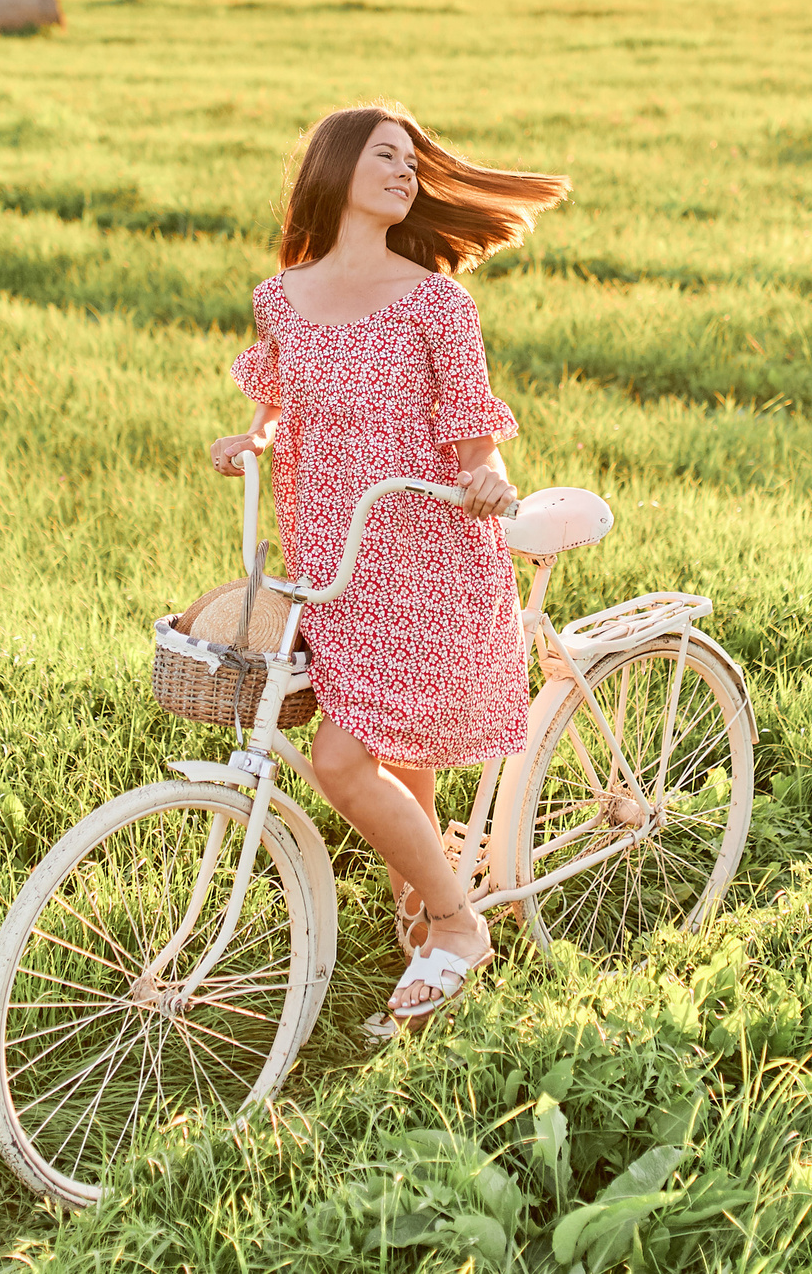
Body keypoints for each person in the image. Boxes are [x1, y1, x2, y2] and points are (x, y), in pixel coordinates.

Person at [209, 103, 568, 1024]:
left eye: (413, 161)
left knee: (340, 758)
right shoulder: (280, 298)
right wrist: (250, 441)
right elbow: (279, 405)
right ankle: (427, 917)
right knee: (395, 753)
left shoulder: (437, 302)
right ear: (336, 167)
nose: (406, 172)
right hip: (331, 562)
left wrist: (488, 478)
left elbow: (477, 440)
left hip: (425, 556)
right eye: (386, 155)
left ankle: (455, 924)